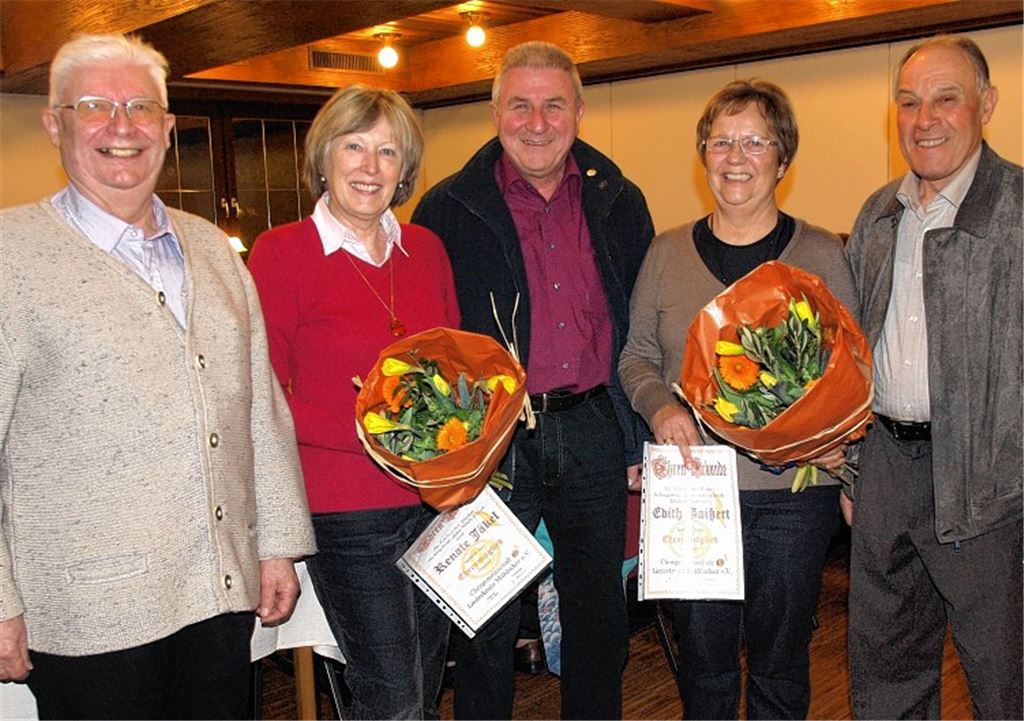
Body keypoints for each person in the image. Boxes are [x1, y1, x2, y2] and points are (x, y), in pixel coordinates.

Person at [0, 33, 316, 719]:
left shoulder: (212, 248)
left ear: (169, 129)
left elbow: (259, 409)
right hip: (90, 615)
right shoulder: (11, 256)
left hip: (217, 596)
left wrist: (280, 546)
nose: (122, 126)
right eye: (95, 106)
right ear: (54, 124)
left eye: (142, 106)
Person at [412, 41, 654, 720]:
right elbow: (425, 346)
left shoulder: (619, 199)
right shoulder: (446, 208)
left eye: (554, 104)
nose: (537, 121)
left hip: (593, 429)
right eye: (521, 104)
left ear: (578, 111)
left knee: (598, 621)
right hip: (492, 442)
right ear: (495, 112)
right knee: (483, 618)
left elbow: (639, 325)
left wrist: (637, 440)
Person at [618, 79, 856, 720]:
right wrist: (662, 409)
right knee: (704, 667)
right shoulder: (666, 253)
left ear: (783, 158)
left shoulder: (821, 255)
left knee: (781, 664)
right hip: (694, 496)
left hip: (792, 500)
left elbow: (851, 370)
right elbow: (635, 356)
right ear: (704, 155)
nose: (736, 157)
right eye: (721, 141)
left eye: (755, 141)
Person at [246, 84, 458, 721]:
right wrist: (376, 427)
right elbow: (264, 396)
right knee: (390, 698)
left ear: (405, 171)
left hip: (435, 506)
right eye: (355, 146)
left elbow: (454, 374)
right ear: (324, 157)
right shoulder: (281, 254)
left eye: (387, 152)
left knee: (422, 689)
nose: (370, 166)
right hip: (346, 514)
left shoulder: (426, 250)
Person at [843, 35, 1022, 720]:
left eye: (946, 98)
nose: (925, 119)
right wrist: (853, 467)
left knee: (1003, 676)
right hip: (886, 462)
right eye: (909, 102)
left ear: (987, 105)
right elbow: (852, 349)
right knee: (886, 667)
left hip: (992, 481)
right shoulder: (878, 215)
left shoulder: (1018, 208)